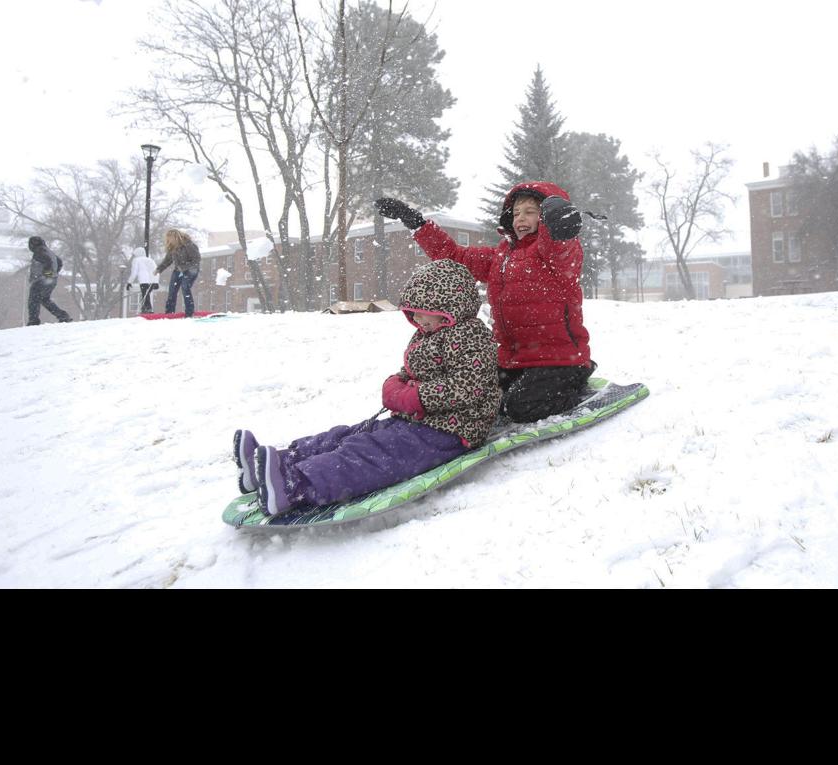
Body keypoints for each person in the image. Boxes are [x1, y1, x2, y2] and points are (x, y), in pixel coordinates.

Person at [232, 259, 502, 517]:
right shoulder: (428, 333)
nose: (418, 319)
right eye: (414, 312)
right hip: (418, 420)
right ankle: (274, 464)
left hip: (452, 430)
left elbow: (469, 386)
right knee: (350, 435)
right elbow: (413, 372)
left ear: (449, 306)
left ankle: (294, 485)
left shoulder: (471, 336)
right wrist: (396, 384)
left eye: (424, 311)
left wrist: (414, 397)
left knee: (370, 453)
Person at [375, 181, 592, 423]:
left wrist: (560, 224)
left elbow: (560, 247)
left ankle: (577, 382)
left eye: (531, 212)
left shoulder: (554, 254)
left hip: (559, 360)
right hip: (514, 359)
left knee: (519, 408)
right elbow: (455, 256)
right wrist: (417, 223)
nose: (521, 218)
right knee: (483, 396)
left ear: (545, 218)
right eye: (517, 212)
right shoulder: (500, 257)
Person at [25, 236, 73, 325]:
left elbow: (48, 261)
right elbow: (59, 262)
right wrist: (53, 274)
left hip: (41, 280)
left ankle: (33, 321)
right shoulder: (48, 251)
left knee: (33, 300)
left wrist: (46, 274)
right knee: (45, 300)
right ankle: (63, 316)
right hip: (51, 280)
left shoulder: (39, 251)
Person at [154, 229, 202, 317]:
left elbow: (197, 259)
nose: (169, 241)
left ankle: (189, 312)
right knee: (172, 291)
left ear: (176, 237)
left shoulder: (189, 245)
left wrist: (184, 268)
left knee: (185, 287)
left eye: (170, 238)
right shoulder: (172, 248)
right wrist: (159, 269)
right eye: (168, 239)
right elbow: (167, 261)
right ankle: (169, 313)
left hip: (191, 270)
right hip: (178, 270)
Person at [127, 248, 159, 314]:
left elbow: (134, 273)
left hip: (144, 281)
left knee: (145, 294)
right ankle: (145, 308)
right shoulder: (150, 260)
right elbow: (157, 270)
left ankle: (147, 309)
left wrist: (129, 282)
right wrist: (156, 282)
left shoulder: (136, 260)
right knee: (146, 294)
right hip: (152, 281)